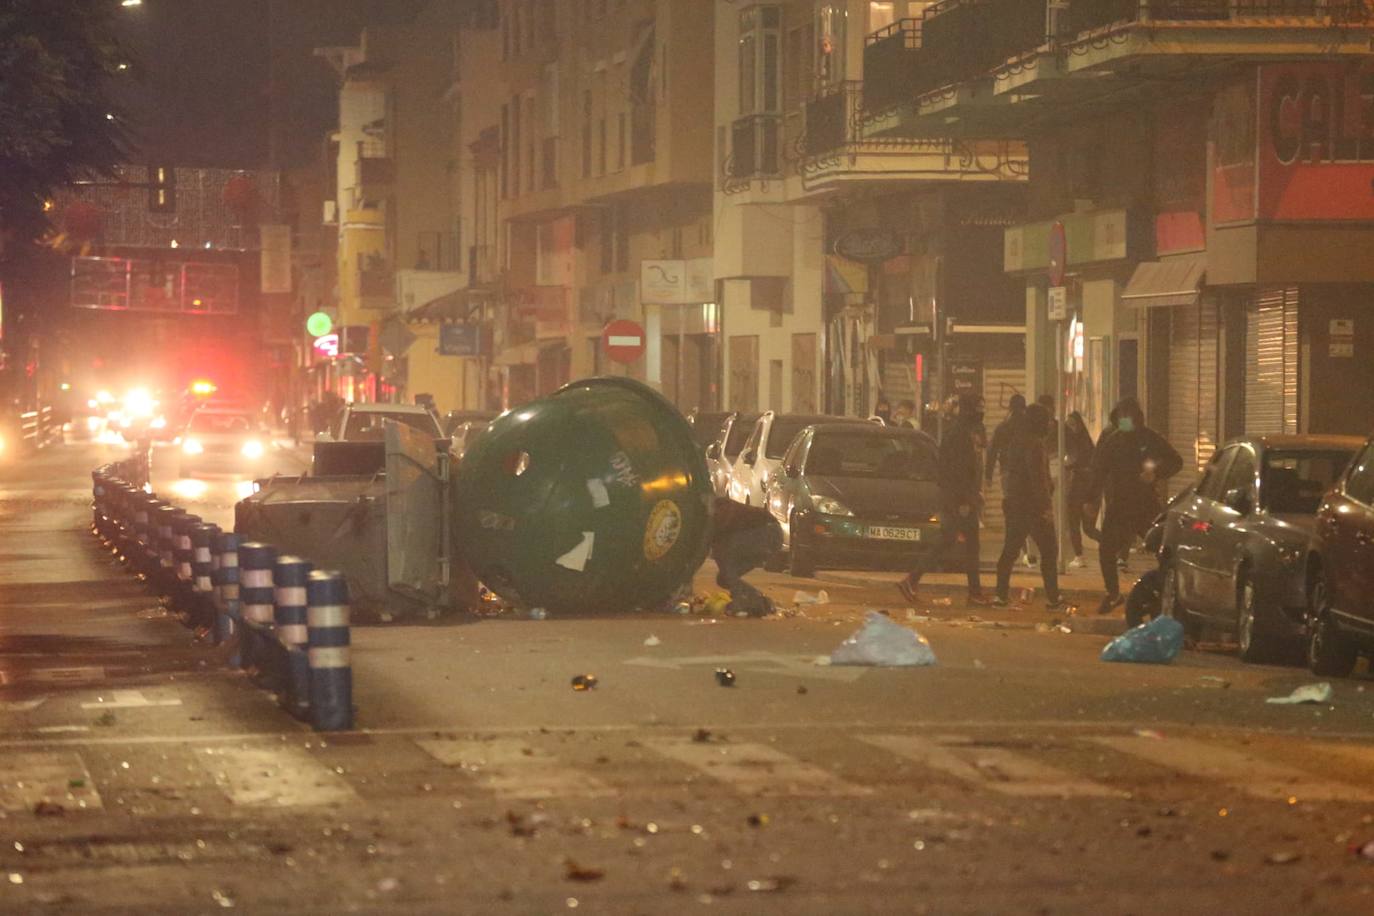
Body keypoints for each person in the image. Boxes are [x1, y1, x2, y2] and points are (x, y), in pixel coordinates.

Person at [1088, 397, 1181, 615]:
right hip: (1119, 503)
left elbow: (1175, 461)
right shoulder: (1113, 441)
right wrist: (1091, 500)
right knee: (1107, 550)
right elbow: (1099, 471)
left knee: (1162, 548)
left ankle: (1166, 593)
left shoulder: (1150, 439)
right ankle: (1113, 593)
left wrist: (1155, 473)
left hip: (1144, 502)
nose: (1124, 421)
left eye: (1127, 417)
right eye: (1120, 418)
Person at [898, 392, 989, 606]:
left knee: (955, 541)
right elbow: (957, 471)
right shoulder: (958, 435)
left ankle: (914, 580)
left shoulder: (963, 432)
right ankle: (913, 580)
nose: (982, 413)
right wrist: (965, 501)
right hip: (958, 500)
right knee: (955, 542)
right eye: (979, 408)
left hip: (959, 497)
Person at [995, 404, 1061, 608]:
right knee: (1049, 551)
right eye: (1047, 420)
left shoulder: (1016, 441)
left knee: (1010, 550)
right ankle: (1053, 597)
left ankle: (1001, 595)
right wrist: (1046, 507)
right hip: (1033, 506)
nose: (1050, 424)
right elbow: (1038, 478)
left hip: (1016, 503)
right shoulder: (1035, 444)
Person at [710, 497, 783, 616]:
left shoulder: (719, 510)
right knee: (723, 578)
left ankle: (741, 600)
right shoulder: (714, 513)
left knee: (724, 554)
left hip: (767, 532)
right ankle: (757, 599)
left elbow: (720, 549)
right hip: (769, 536)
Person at [1063, 411, 1096, 569]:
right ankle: (1113, 547)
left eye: (1073, 425)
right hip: (1084, 486)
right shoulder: (1082, 440)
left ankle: (1079, 556)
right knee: (1086, 527)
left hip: (1080, 486)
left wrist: (1067, 465)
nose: (1071, 428)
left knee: (1077, 523)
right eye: (1068, 425)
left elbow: (1078, 461)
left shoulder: (1079, 442)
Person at [985, 393, 1026, 495]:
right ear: (1024, 408)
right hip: (1026, 471)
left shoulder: (1002, 427)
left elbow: (992, 451)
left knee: (1009, 503)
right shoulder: (1029, 427)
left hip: (1007, 470)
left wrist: (988, 475)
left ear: (1010, 408)